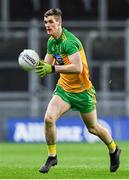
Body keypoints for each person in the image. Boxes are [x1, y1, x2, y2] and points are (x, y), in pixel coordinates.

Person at [35, 8, 121, 174]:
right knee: (49, 118)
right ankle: (52, 156)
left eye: (51, 22)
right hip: (64, 90)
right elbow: (46, 64)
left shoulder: (69, 42)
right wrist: (33, 62)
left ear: (59, 23)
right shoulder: (51, 42)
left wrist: (51, 69)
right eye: (45, 22)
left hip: (83, 92)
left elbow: (77, 67)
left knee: (93, 128)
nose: (47, 25)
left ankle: (113, 149)